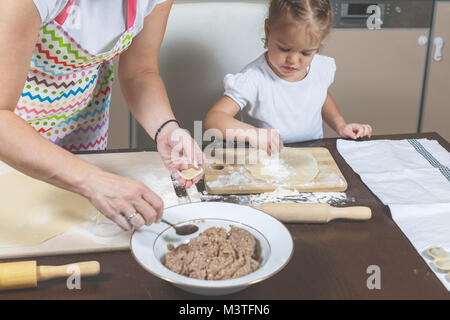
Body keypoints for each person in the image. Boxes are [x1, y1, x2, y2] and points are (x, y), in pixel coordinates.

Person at [0, 0, 204, 231]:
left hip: (85, 123)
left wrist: (166, 128)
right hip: (14, 136)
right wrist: (92, 179)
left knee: (74, 232)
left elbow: (140, 72)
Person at [204, 0, 372, 155]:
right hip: (266, 158)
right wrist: (253, 134)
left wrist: (340, 125)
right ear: (268, 30)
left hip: (312, 153)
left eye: (306, 53)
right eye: (284, 49)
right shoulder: (254, 78)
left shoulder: (320, 68)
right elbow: (214, 119)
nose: (293, 60)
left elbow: (320, 95)